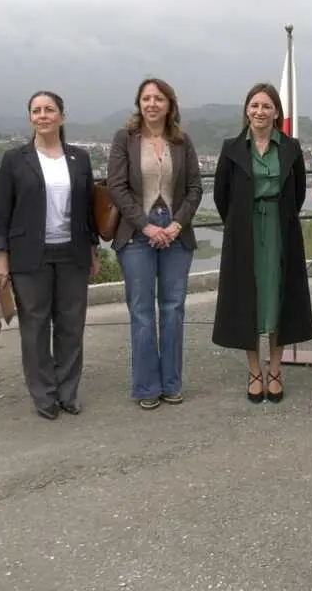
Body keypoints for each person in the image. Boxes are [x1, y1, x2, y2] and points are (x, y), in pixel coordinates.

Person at [0, 91, 101, 420]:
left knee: (71, 326)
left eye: (49, 109)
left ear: (61, 116)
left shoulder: (79, 158)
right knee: (35, 327)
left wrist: (93, 249)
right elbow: (2, 211)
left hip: (73, 252)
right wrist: (1, 256)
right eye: (36, 110)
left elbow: (88, 210)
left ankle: (68, 393)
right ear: (30, 118)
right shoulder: (15, 159)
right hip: (29, 255)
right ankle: (44, 396)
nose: (42, 115)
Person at [211, 82, 312, 403]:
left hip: (280, 231)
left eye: (266, 106)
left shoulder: (291, 148)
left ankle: (276, 369)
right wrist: (240, 221)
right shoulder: (231, 148)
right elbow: (221, 196)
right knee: (249, 299)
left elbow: (298, 192)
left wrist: (277, 215)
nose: (260, 111)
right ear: (247, 110)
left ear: (276, 113)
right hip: (244, 232)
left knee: (277, 298)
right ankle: (255, 370)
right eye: (255, 105)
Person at [107, 78, 203, 410]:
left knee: (173, 309)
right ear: (139, 103)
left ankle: (172, 384)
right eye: (146, 98)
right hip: (137, 232)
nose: (152, 104)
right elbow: (117, 187)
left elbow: (195, 188)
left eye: (159, 98)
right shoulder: (125, 139)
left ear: (169, 104)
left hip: (176, 231)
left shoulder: (182, 141)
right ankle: (147, 387)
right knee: (142, 311)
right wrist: (146, 226)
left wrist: (177, 224)